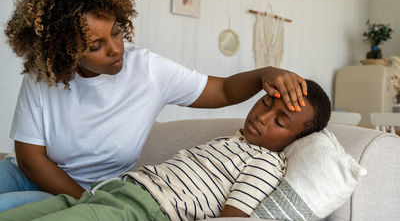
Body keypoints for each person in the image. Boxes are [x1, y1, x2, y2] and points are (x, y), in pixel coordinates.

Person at [0, 0, 309, 212]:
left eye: (116, 31)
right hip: (27, 175)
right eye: (96, 45)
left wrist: (264, 74)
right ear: (65, 50)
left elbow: (225, 91)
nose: (116, 49)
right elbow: (31, 160)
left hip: (86, 194)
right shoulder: (45, 75)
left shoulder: (148, 70)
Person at [0, 79, 331, 220]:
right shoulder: (231, 141)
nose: (262, 116)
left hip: (142, 211)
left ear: (295, 139)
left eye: (281, 121)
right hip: (107, 193)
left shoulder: (265, 164)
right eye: (265, 103)